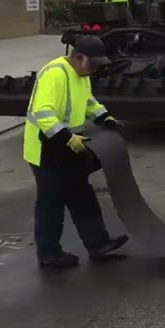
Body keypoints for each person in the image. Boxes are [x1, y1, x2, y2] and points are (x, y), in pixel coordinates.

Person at [24, 35, 130, 268]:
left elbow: (87, 101)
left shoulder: (81, 75)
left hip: (68, 145)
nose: (94, 69)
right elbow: (43, 114)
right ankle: (48, 253)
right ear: (80, 57)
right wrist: (68, 138)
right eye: (93, 64)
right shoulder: (55, 74)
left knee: (82, 195)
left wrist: (105, 117)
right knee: (51, 201)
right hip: (45, 148)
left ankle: (99, 243)